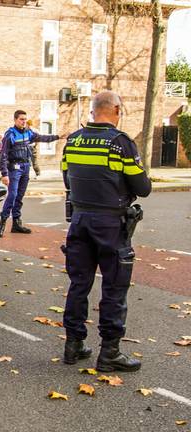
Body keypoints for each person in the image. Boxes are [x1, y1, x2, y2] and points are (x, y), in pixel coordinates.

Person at [60, 90, 151, 372]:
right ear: (115, 110)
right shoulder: (120, 144)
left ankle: (73, 345)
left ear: (92, 111)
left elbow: (67, 179)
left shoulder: (73, 141)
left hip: (79, 221)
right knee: (114, 287)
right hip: (111, 224)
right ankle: (109, 353)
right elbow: (142, 188)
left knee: (79, 284)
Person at [0, 110, 66, 236]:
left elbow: (42, 138)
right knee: (12, 195)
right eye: (21, 119)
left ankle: (16, 224)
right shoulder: (10, 134)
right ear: (15, 120)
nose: (23, 121)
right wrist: (4, 174)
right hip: (14, 169)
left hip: (25, 167)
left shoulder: (29, 133)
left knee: (19, 196)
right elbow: (4, 155)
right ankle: (2, 222)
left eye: (25, 119)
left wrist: (58, 136)